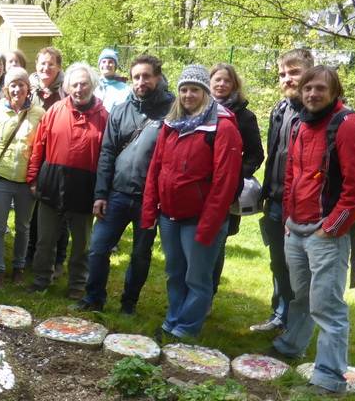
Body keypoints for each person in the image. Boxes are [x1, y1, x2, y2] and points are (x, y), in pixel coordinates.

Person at [271, 66, 355, 395]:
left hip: (325, 231)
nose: (312, 94)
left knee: (328, 306)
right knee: (301, 296)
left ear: (335, 92)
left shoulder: (348, 126)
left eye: (320, 89)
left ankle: (329, 379)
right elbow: (292, 174)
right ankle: (291, 346)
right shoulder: (301, 122)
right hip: (296, 228)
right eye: (307, 88)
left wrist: (330, 229)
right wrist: (288, 219)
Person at [141, 65, 243, 338]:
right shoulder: (171, 124)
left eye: (194, 90)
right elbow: (156, 169)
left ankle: (186, 328)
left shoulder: (223, 128)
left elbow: (225, 182)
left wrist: (210, 224)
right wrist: (150, 210)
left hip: (200, 218)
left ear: (205, 93)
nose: (188, 95)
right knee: (174, 272)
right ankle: (173, 318)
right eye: (184, 89)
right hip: (170, 215)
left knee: (197, 278)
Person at [77, 54, 175, 314]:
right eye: (136, 77)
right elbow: (107, 153)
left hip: (149, 198)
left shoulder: (172, 112)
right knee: (98, 249)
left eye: (146, 76)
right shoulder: (121, 110)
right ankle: (94, 297)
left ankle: (129, 303)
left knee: (140, 255)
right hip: (117, 193)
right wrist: (101, 194)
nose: (141, 82)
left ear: (157, 77)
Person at [26, 62, 108, 297]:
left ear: (92, 85)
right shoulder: (54, 111)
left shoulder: (104, 117)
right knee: (45, 240)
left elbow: (107, 156)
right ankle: (41, 280)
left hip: (85, 188)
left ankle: (77, 285)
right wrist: (33, 178)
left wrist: (102, 192)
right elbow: (38, 146)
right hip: (52, 183)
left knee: (82, 244)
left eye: (84, 84)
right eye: (75, 84)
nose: (79, 89)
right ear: (68, 86)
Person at [252, 48, 314, 332]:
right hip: (276, 201)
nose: (287, 79)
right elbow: (274, 154)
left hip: (305, 209)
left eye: (294, 72)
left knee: (299, 271)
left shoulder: (318, 112)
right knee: (278, 263)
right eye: (282, 74)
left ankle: (296, 329)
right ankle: (279, 315)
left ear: (310, 72)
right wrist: (265, 194)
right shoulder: (280, 109)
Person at [0, 67, 46, 287]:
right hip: (0, 178)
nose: (17, 89)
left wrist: (37, 180)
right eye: (13, 85)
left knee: (23, 227)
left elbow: (43, 148)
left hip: (27, 182)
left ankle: (18, 268)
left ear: (28, 87)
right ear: (6, 88)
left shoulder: (39, 114)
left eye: (21, 84)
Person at [209, 62, 265, 292]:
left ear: (234, 85)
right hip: (195, 188)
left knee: (216, 245)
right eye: (217, 79)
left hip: (224, 193)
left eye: (227, 80)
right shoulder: (195, 108)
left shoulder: (244, 116)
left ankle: (208, 294)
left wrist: (233, 175)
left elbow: (256, 154)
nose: (221, 84)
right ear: (209, 82)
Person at [27, 47, 68, 272]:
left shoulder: (66, 90)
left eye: (51, 64)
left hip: (56, 157)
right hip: (32, 153)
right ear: (36, 65)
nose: (46, 68)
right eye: (42, 63)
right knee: (34, 210)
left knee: (58, 209)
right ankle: (31, 253)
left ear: (59, 67)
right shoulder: (30, 90)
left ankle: (59, 258)